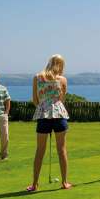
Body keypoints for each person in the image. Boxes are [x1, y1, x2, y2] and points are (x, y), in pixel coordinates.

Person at [27, 54, 72, 191]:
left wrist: (44, 106)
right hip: (59, 115)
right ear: (60, 65)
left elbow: (35, 100)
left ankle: (35, 184)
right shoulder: (62, 79)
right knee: (62, 150)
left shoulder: (37, 77)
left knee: (40, 151)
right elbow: (62, 99)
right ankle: (64, 182)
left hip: (43, 115)